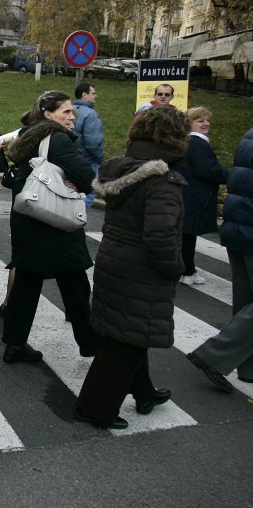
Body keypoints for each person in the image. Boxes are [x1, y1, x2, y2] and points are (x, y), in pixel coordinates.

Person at [75, 106, 189, 428]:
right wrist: (174, 267)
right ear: (174, 139)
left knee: (128, 331)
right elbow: (161, 238)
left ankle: (144, 392)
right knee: (126, 342)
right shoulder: (163, 181)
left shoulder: (122, 171)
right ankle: (93, 408)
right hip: (142, 271)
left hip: (116, 262)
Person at [2, 91, 98, 363]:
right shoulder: (57, 140)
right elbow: (87, 176)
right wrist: (77, 183)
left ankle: (14, 344)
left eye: (72, 112)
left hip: (28, 220)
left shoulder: (28, 138)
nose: (72, 117)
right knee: (76, 285)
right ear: (48, 115)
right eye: (66, 112)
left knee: (26, 285)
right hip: (55, 224)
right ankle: (91, 344)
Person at [188, 128, 253, 392]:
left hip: (238, 226)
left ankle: (247, 368)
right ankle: (213, 355)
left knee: (245, 302)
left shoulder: (248, 135)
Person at [179, 106, 228, 285]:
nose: (206, 123)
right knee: (187, 235)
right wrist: (228, 175)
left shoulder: (188, 141)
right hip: (195, 195)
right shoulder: (197, 143)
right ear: (190, 123)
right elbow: (208, 170)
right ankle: (187, 270)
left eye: (207, 120)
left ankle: (186, 269)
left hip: (188, 192)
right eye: (200, 121)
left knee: (186, 235)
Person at [73, 82, 104, 209]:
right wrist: (100, 157)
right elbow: (93, 144)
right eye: (93, 93)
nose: (96, 96)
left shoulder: (68, 109)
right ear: (84, 95)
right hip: (87, 161)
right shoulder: (91, 115)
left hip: (69, 159)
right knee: (87, 194)